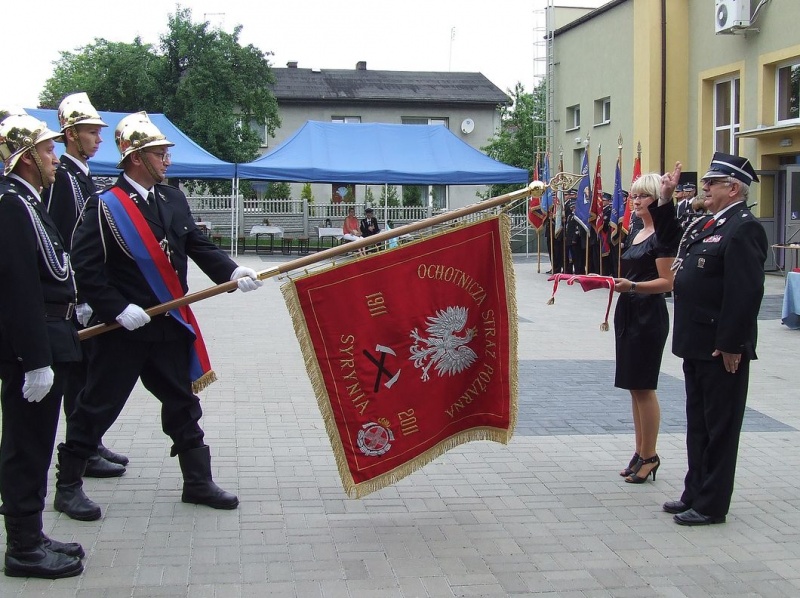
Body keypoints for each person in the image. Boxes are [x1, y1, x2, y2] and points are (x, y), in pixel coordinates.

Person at [54, 112, 263, 522]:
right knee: (98, 405)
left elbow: (197, 244)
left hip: (167, 325)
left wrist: (231, 271)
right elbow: (86, 268)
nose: (167, 160)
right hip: (123, 330)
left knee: (182, 402)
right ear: (136, 158)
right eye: (159, 154)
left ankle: (197, 481)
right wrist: (116, 308)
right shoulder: (105, 205)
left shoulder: (172, 199)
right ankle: (68, 486)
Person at [655, 153, 768, 526]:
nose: (703, 187)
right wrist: (665, 200)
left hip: (721, 347)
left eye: (711, 183)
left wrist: (733, 343)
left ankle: (712, 504)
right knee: (699, 423)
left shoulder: (744, 228)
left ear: (732, 188)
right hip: (697, 341)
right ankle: (695, 492)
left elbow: (745, 292)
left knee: (720, 427)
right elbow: (669, 240)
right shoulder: (710, 222)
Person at [0, 113, 85, 578]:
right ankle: (23, 548)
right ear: (27, 157)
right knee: (26, 445)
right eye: (49, 150)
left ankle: (31, 532)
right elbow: (18, 288)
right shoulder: (12, 204)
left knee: (35, 441)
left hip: (52, 335)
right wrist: (35, 360)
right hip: (33, 347)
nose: (55, 158)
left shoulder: (27, 202)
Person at [44, 92, 128, 479]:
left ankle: (90, 441)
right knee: (79, 375)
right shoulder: (63, 178)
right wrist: (78, 292)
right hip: (75, 293)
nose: (98, 139)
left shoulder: (81, 176)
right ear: (71, 134)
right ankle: (82, 448)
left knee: (91, 371)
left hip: (88, 291)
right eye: (92, 132)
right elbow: (62, 239)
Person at [612, 171, 681, 485]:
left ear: (656, 199)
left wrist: (632, 286)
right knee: (633, 386)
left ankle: (650, 455)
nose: (635, 201)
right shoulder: (636, 231)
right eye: (634, 195)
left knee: (644, 386)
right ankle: (640, 452)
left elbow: (668, 282)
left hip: (648, 314)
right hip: (628, 310)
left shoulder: (662, 235)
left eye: (642, 196)